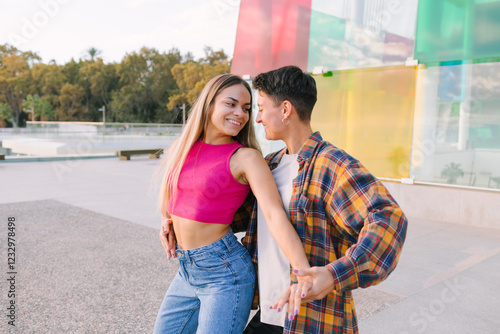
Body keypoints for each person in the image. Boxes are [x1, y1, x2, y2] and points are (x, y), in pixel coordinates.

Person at [240, 66, 408, 334]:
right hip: (268, 314)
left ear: (285, 110)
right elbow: (233, 213)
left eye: (260, 108)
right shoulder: (268, 165)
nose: (257, 118)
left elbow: (389, 218)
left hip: (314, 320)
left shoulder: (332, 164)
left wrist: (335, 274)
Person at [153, 73, 311, 334]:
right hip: (186, 269)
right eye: (231, 104)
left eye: (247, 108)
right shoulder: (180, 149)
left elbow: (273, 214)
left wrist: (303, 272)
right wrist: (166, 222)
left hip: (225, 274)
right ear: (209, 103)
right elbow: (174, 198)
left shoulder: (245, 158)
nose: (241, 114)